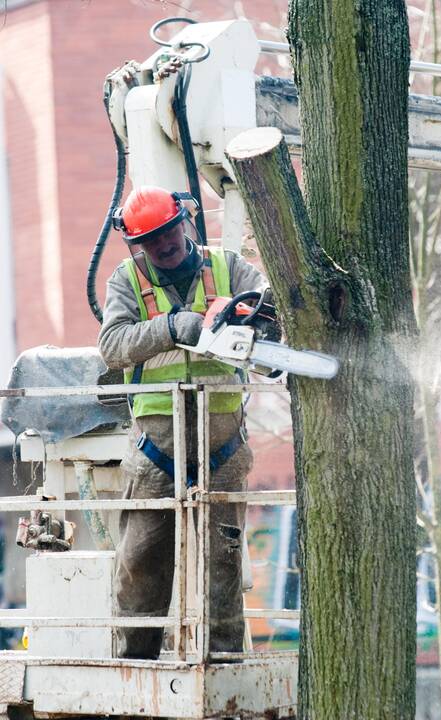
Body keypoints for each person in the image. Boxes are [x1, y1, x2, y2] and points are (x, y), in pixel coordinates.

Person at [98, 185, 270, 659]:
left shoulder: (229, 267)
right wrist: (173, 326)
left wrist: (244, 319)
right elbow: (112, 345)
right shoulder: (127, 280)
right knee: (140, 564)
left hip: (223, 444)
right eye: (151, 239)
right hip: (157, 449)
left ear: (184, 223)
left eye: (168, 231)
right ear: (138, 243)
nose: (164, 244)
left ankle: (224, 663)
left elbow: (270, 313)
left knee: (223, 563)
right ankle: (134, 667)